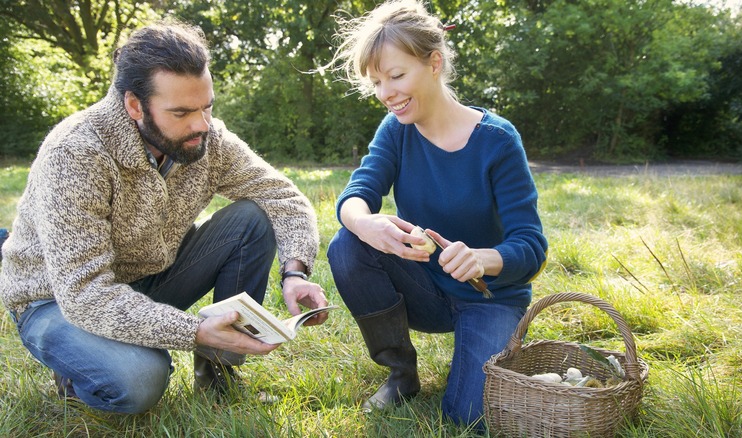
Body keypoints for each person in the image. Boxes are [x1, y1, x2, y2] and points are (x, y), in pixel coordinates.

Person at [0, 20, 329, 414]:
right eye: (182, 112)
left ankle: (218, 376)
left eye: (207, 107)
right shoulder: (75, 153)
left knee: (251, 218)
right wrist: (194, 331)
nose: (202, 125)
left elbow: (282, 196)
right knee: (142, 381)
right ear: (134, 105)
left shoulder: (207, 137)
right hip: (56, 301)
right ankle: (80, 372)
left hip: (149, 277)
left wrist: (295, 271)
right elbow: (84, 292)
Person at [325, 0, 548, 429]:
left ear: (434, 63)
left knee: (469, 418)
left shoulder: (498, 141)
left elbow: (531, 246)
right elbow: (357, 194)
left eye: (396, 75)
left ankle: (493, 351)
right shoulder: (396, 130)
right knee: (348, 243)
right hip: (426, 288)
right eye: (376, 82)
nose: (385, 93)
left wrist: (483, 258)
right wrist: (363, 221)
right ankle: (401, 373)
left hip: (491, 297)